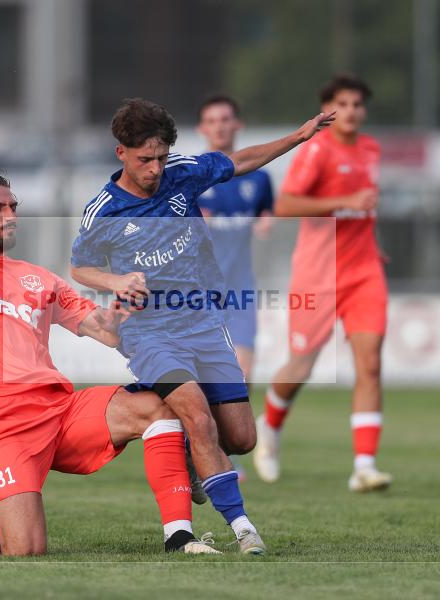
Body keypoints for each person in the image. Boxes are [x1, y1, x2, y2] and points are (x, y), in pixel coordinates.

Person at [0, 133, 218, 556]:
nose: (10, 215)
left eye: (13, 208)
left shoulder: (37, 277)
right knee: (24, 549)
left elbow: (103, 330)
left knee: (155, 408)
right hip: (2, 422)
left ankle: (180, 538)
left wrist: (124, 303)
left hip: (59, 410)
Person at [70, 98, 335, 554]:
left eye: (160, 158)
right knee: (194, 411)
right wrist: (114, 280)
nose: (155, 169)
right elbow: (80, 267)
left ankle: (192, 449)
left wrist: (296, 137)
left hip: (204, 324)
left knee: (241, 437)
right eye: (144, 160)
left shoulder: (185, 173)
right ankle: (243, 528)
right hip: (147, 332)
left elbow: (240, 162)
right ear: (122, 154)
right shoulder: (104, 209)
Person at [254, 75, 393, 493]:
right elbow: (285, 205)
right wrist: (343, 203)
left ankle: (364, 467)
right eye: (343, 103)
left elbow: (364, 209)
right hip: (318, 272)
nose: (351, 110)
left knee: (369, 363)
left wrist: (371, 238)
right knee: (303, 365)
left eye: (357, 104)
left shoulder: (371, 149)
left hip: (365, 270)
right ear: (329, 108)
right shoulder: (316, 150)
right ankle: (270, 427)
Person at [195, 95, 275, 481]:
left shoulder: (257, 177)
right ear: (202, 129)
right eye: (212, 120)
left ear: (237, 124)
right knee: (202, 378)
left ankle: (227, 451)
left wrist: (266, 222)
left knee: (243, 375)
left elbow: (267, 214)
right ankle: (203, 449)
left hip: (241, 292)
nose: (220, 125)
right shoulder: (192, 176)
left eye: (226, 119)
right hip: (200, 294)